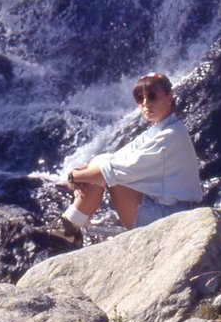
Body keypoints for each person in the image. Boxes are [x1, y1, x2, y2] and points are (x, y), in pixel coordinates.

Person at [41, 72, 203, 251]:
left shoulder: (171, 135)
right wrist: (83, 175)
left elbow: (112, 170)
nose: (146, 104)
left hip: (174, 217)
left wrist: (73, 177)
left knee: (107, 172)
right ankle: (69, 228)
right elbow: (114, 159)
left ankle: (69, 230)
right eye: (140, 99)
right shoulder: (159, 131)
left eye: (152, 97)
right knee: (102, 162)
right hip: (166, 210)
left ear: (169, 97)